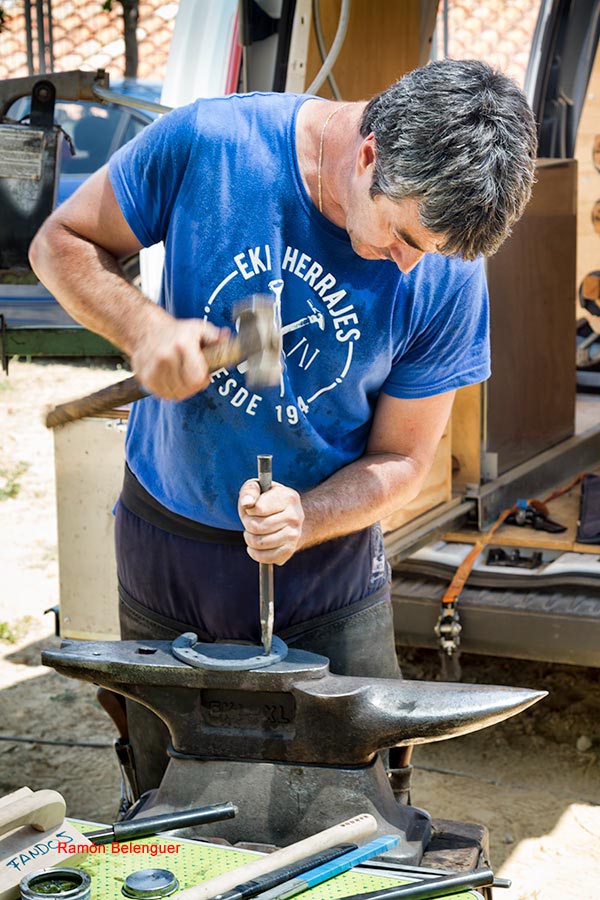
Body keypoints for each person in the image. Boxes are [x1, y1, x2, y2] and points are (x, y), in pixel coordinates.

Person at [30, 58, 537, 797]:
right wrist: (143, 329)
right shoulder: (212, 144)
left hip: (326, 570)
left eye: (426, 251)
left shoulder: (447, 271)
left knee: (352, 798)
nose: (407, 265)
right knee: (167, 789)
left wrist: (309, 517)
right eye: (402, 235)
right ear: (369, 155)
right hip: (167, 539)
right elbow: (60, 241)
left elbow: (403, 458)